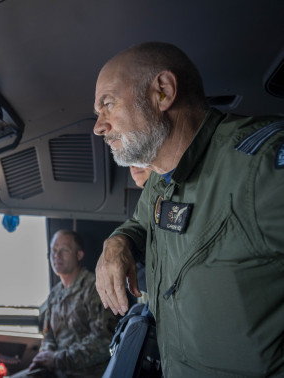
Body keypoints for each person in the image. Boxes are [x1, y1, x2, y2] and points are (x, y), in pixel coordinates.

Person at [93, 42, 284, 376]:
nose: (99, 126)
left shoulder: (260, 168)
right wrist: (117, 243)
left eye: (107, 105)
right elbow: (138, 224)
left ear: (163, 93)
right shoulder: (159, 180)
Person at [13, 230, 118, 378]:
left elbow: (104, 341)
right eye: (54, 250)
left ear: (79, 255)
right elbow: (48, 335)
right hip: (57, 370)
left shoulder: (95, 288)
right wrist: (45, 356)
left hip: (87, 373)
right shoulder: (55, 294)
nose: (56, 255)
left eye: (64, 250)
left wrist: (57, 359)